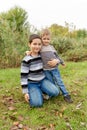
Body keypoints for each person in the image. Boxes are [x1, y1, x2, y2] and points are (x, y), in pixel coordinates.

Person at [26, 29, 73, 103]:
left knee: (59, 81)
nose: (46, 41)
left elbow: (57, 56)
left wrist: (61, 62)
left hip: (54, 69)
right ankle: (52, 94)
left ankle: (66, 94)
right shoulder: (40, 47)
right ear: (41, 39)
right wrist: (29, 52)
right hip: (46, 70)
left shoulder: (51, 47)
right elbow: (35, 51)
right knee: (51, 82)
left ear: (50, 39)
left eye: (48, 39)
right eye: (44, 39)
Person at [21, 34, 59, 107]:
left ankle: (41, 92)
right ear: (29, 44)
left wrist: (56, 61)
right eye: (34, 44)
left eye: (39, 44)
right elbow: (23, 77)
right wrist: (25, 92)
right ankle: (35, 93)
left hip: (42, 80)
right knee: (37, 104)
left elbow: (55, 57)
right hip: (32, 83)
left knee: (56, 92)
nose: (37, 46)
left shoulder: (42, 55)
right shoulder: (26, 59)